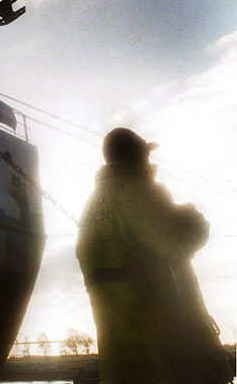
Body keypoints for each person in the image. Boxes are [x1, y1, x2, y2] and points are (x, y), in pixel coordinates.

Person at [76, 127, 234, 384]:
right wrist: (191, 214)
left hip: (123, 361)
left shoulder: (91, 206)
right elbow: (179, 241)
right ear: (138, 155)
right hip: (171, 357)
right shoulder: (139, 191)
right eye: (147, 153)